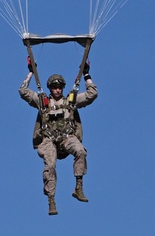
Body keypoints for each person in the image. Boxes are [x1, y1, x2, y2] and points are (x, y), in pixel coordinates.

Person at [19, 65, 98, 215]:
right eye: (54, 87)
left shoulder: (70, 101)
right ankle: (51, 199)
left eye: (59, 87)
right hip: (48, 139)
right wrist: (30, 73)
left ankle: (78, 187)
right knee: (50, 166)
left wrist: (86, 75)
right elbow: (23, 92)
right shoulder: (43, 102)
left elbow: (92, 94)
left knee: (81, 151)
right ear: (50, 88)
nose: (57, 90)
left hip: (67, 137)